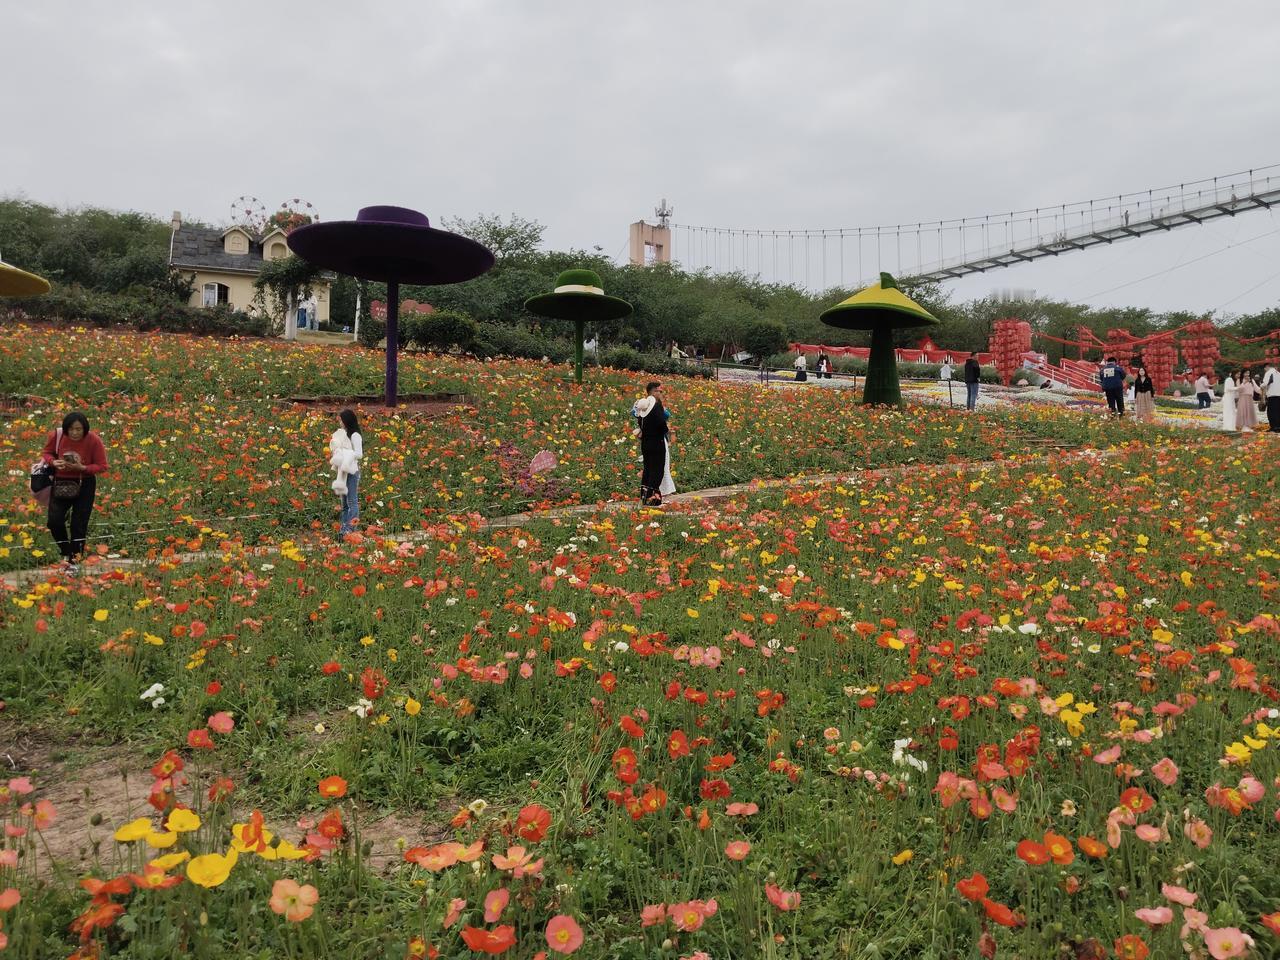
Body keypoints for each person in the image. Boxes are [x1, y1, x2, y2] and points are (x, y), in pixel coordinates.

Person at [41, 412, 108, 574]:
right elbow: (47, 453)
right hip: (61, 483)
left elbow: (102, 466)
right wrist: (53, 462)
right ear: (65, 429)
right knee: (54, 521)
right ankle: (66, 550)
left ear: (85, 429)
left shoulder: (93, 440)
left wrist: (83, 468)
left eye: (79, 429)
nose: (75, 433)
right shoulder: (57, 436)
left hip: (84, 484)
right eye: (71, 429)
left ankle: (74, 562)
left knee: (79, 524)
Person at [633, 382, 670, 506]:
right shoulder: (656, 405)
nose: (661, 394)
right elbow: (661, 422)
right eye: (659, 391)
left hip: (646, 442)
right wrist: (666, 429)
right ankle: (654, 500)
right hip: (657, 442)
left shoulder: (643, 407)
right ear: (653, 392)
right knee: (657, 470)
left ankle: (645, 496)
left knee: (648, 469)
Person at [329, 409, 363, 535]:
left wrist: (344, 453)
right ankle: (343, 529)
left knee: (352, 501)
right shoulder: (345, 434)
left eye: (341, 419)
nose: (340, 422)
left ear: (347, 420)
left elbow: (359, 454)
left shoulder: (355, 435)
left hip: (352, 471)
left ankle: (351, 529)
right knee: (344, 503)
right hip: (343, 470)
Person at [1236, 369, 1259, 433]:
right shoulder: (1239, 380)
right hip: (1243, 397)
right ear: (1243, 373)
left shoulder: (1252, 380)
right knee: (1243, 411)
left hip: (1250, 398)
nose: (1247, 374)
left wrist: (1262, 391)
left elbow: (1256, 388)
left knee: (1249, 412)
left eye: (1248, 373)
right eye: (1246, 373)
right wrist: (1245, 382)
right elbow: (1239, 389)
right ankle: (1244, 426)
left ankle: (1248, 426)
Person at [1263, 361, 1280, 433]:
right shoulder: (1278, 373)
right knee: (1278, 411)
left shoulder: (1269, 372)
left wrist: (1261, 386)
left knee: (1271, 412)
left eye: (1264, 368)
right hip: (1279, 395)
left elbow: (1265, 383)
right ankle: (1278, 427)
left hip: (1272, 396)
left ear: (1267, 366)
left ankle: (1273, 427)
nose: (1265, 370)